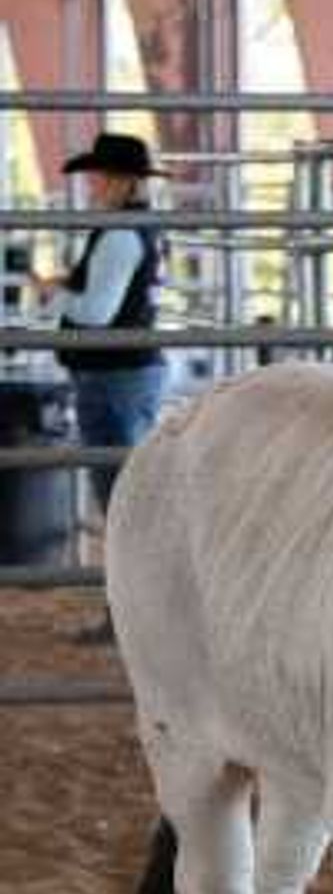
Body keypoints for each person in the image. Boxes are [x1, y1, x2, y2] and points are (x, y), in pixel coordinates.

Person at [33, 130, 167, 644]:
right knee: (127, 499)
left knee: (122, 502)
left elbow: (95, 314)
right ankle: (136, 617)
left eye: (98, 176)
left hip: (113, 376)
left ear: (119, 181)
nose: (91, 185)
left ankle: (131, 620)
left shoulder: (118, 235)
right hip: (128, 374)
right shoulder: (141, 229)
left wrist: (57, 290)